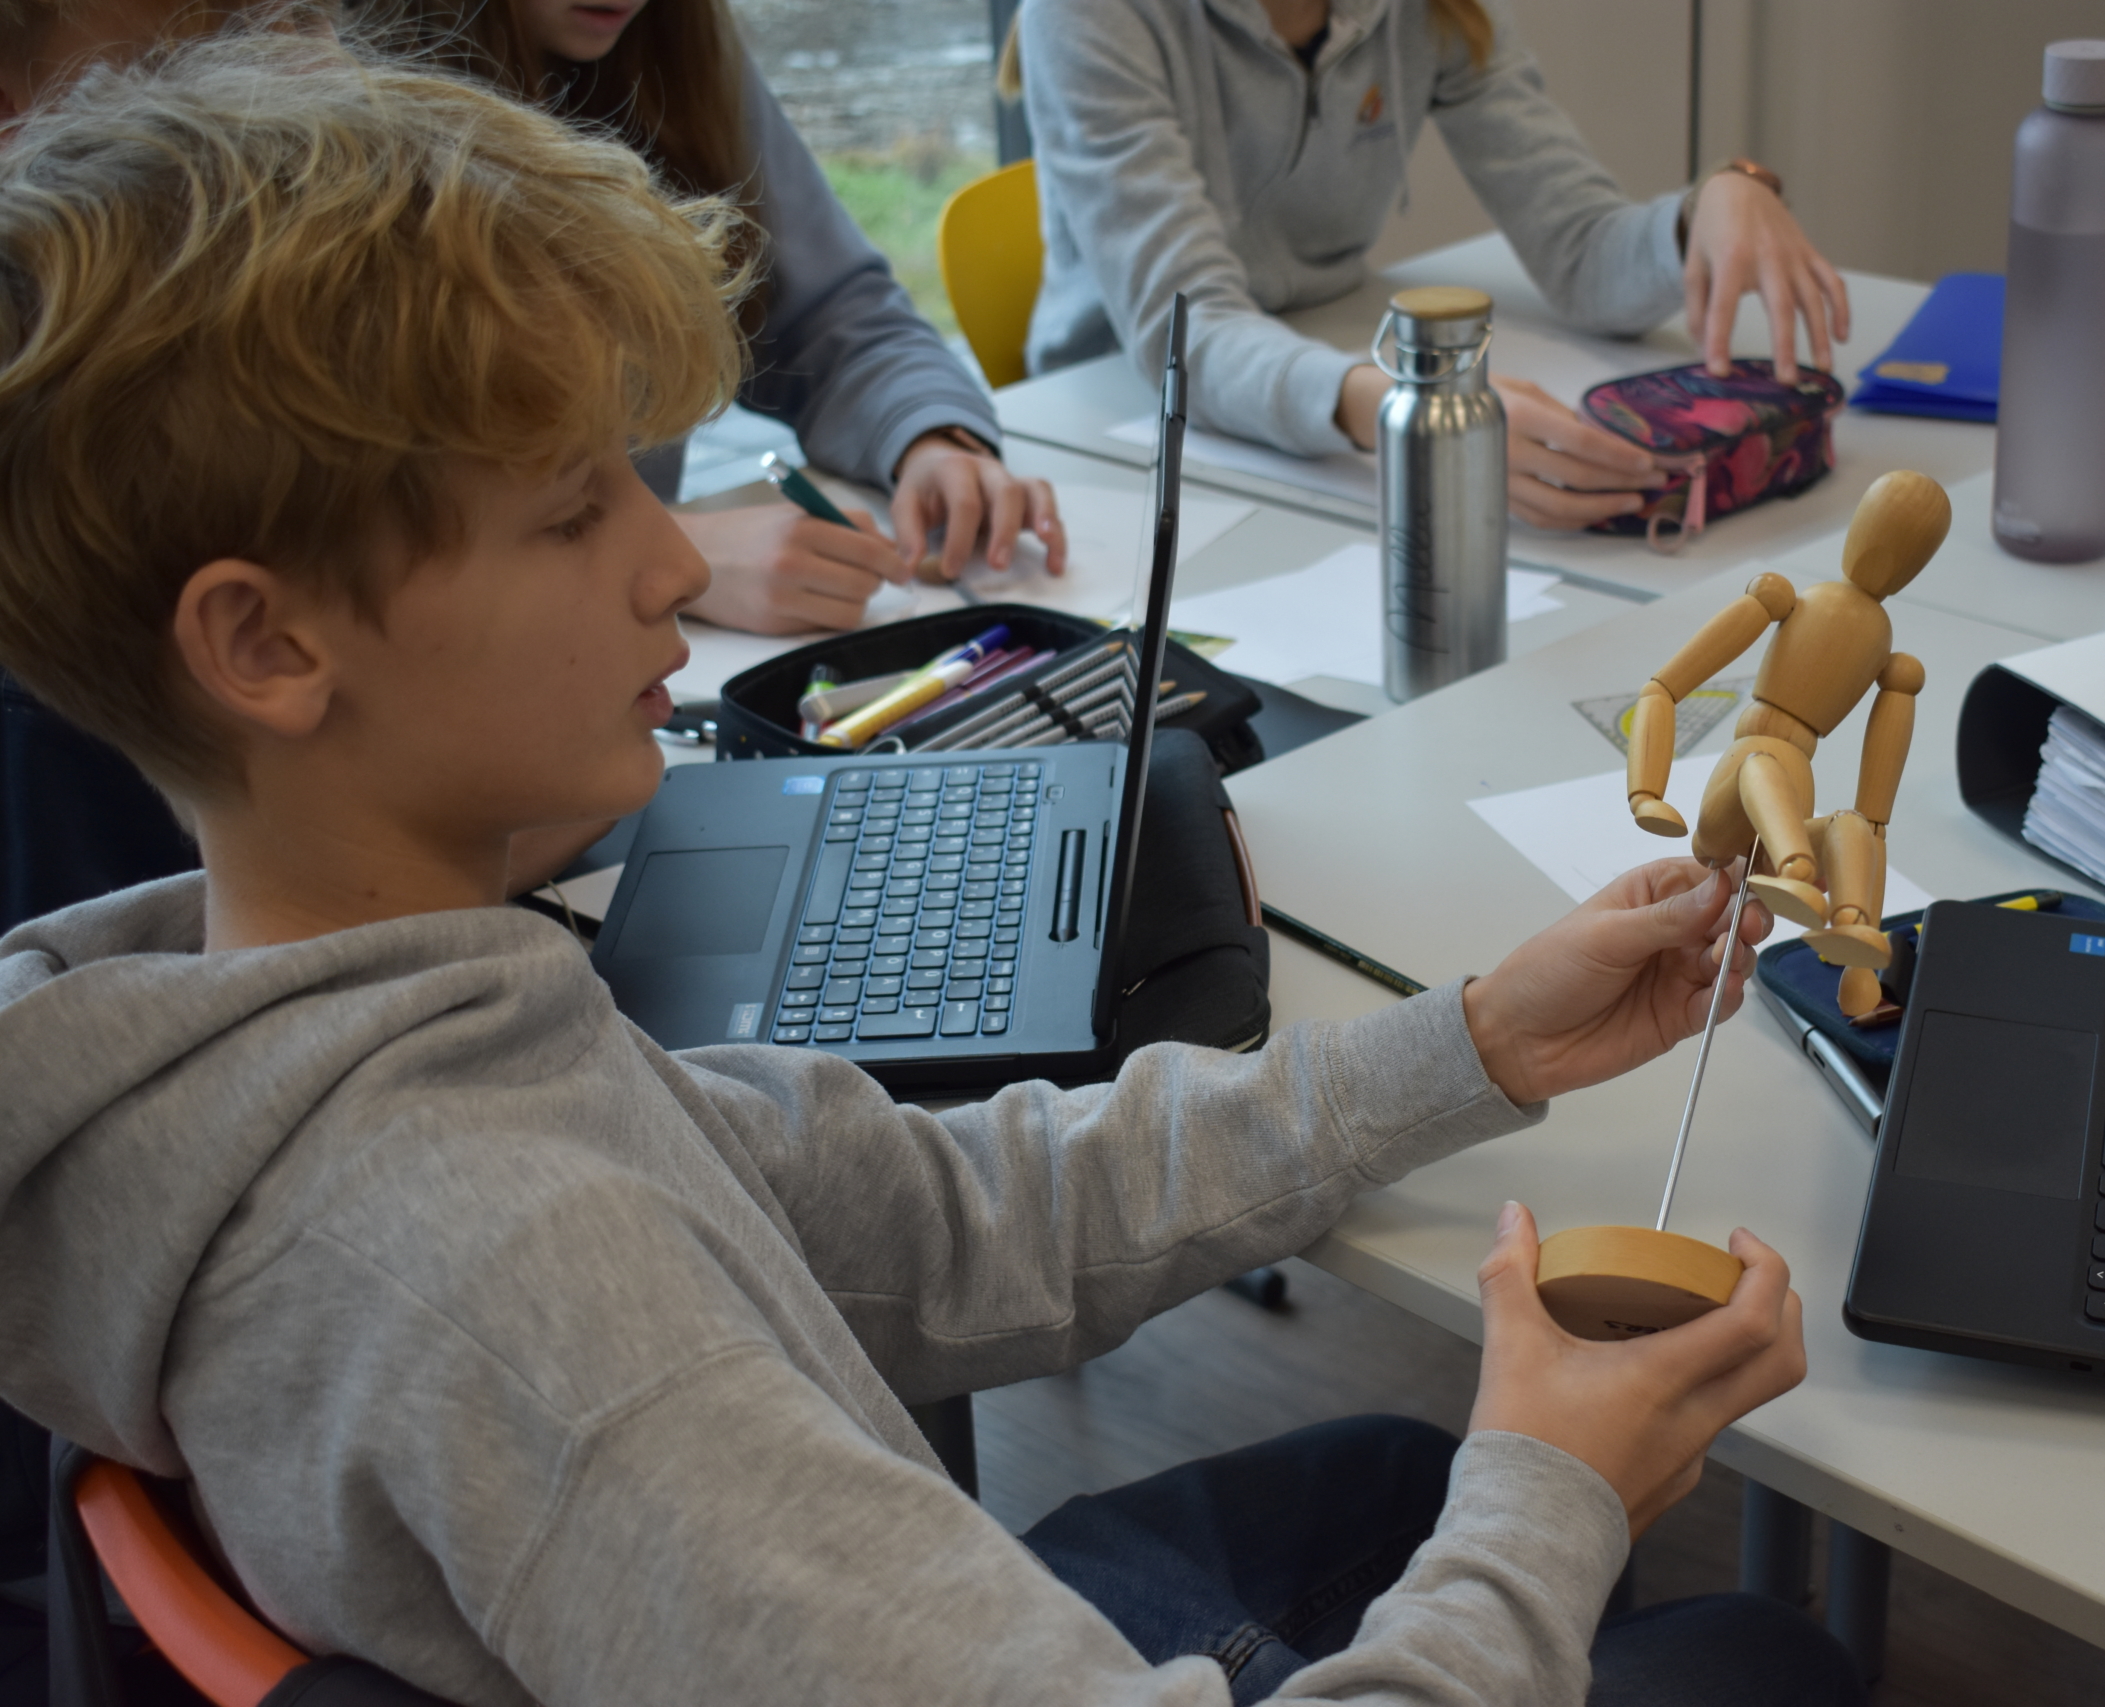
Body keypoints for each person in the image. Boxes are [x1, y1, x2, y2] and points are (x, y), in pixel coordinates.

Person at [0, 34, 1864, 1707]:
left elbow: (936, 1218)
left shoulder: (335, 1017)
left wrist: (1469, 1042)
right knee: (1756, 1651)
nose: (676, 560)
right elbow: (630, 1338)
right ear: (265, 643)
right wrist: (1549, 1494)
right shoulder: (524, 1288)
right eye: (573, 509)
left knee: (1398, 1472)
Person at [1010, 0, 1853, 534]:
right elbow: (1189, 335)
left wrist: (1705, 208)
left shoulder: (1432, 13)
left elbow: (1581, 251)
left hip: (1326, 396)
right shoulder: (1087, 15)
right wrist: (1411, 414)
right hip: (1116, 432)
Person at [363, 0, 1064, 635]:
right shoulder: (345, 115)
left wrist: (927, 437)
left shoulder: (682, 45)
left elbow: (831, 321)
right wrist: (668, 544)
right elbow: (363, 537)